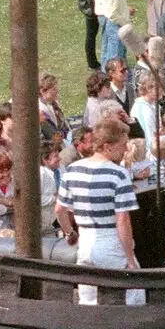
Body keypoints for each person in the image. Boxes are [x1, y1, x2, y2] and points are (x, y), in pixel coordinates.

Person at [55, 116, 141, 305]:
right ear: (108, 146)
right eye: (123, 144)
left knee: (89, 301)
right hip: (111, 243)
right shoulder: (118, 174)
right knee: (130, 299)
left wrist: (70, 233)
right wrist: (130, 259)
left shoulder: (72, 170)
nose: (126, 148)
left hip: (84, 244)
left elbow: (60, 209)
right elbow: (122, 221)